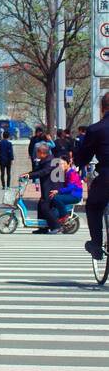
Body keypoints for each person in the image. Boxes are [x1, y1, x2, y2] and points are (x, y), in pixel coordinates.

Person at [76, 92, 109, 259]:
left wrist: (78, 159)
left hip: (106, 176)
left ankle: (96, 244)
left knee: (94, 206)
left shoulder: (96, 129)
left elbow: (84, 157)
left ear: (103, 108)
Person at [28, 143, 58, 234]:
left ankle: (56, 226)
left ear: (42, 153)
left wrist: (30, 175)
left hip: (52, 188)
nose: (36, 155)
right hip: (47, 187)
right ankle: (43, 227)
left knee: (44, 207)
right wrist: (27, 174)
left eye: (37, 153)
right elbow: (37, 171)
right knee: (40, 205)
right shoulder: (45, 160)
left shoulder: (50, 161)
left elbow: (43, 172)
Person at [50, 158, 83, 224]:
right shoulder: (65, 173)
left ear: (68, 164)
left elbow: (70, 187)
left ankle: (64, 215)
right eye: (59, 164)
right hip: (69, 194)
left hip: (75, 195)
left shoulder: (72, 173)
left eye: (63, 164)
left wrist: (58, 191)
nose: (61, 166)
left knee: (56, 198)